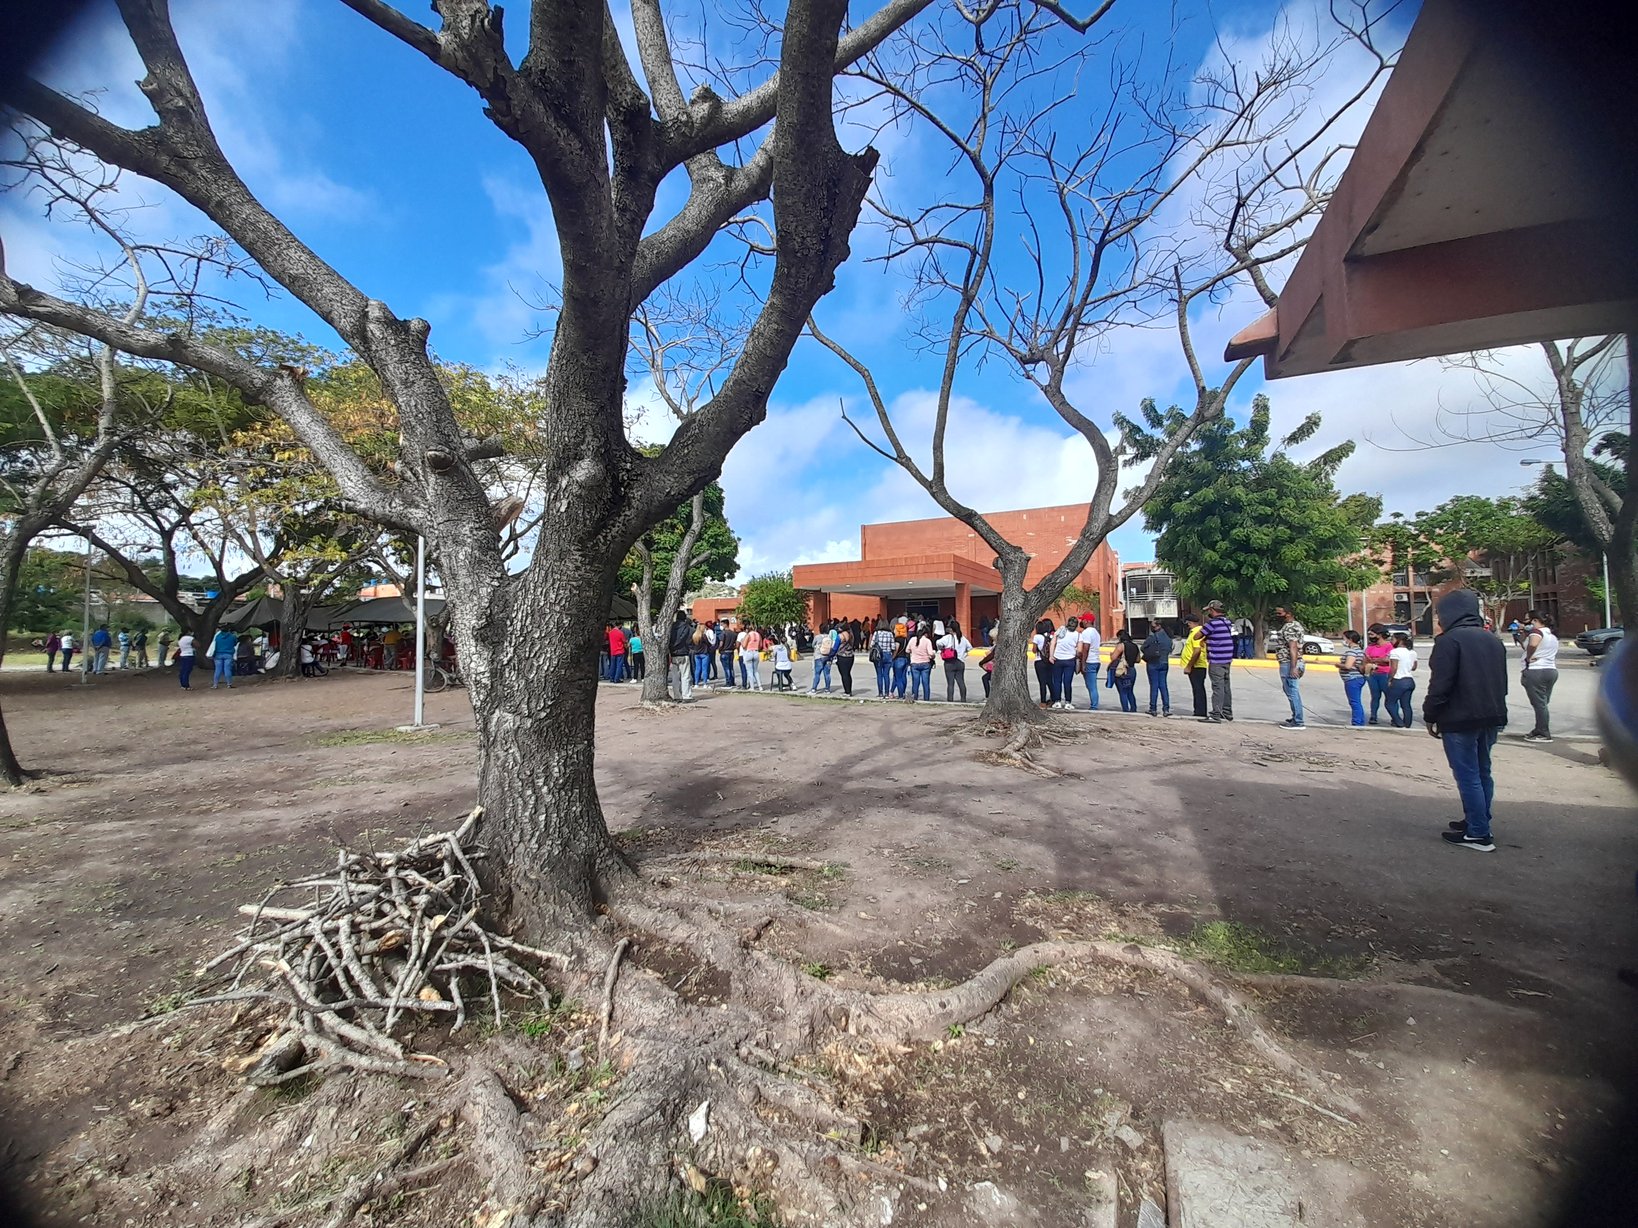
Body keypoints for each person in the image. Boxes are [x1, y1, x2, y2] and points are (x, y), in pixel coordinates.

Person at [1423, 589, 1508, 852]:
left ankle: (1479, 833)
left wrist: (1430, 715)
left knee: (1468, 775)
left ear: (1450, 613)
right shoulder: (1492, 640)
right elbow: (1502, 682)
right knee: (1483, 771)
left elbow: (1441, 685)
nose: (1439, 620)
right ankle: (1478, 819)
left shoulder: (1449, 641)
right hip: (1491, 715)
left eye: (1440, 614)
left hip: (1460, 717)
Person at [1520, 611, 1559, 743]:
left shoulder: (1536, 633)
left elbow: (1533, 645)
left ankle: (1543, 732)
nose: (1527, 623)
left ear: (1535, 620)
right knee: (1543, 702)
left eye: (1528, 620)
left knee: (1539, 703)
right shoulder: (1551, 635)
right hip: (1550, 670)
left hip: (1536, 670)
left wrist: (1528, 657)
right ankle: (1539, 728)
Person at [1273, 605, 1307, 730]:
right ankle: (1295, 717)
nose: (1277, 615)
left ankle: (1298, 721)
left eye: (1279, 613)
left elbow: (1293, 647)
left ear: (1288, 613)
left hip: (1289, 662)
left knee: (1292, 691)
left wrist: (1293, 667)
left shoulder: (1289, 627)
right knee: (1290, 690)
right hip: (1292, 662)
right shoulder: (1296, 625)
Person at [1202, 601, 1234, 722]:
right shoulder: (1227, 622)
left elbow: (1197, 636)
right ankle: (1227, 712)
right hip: (1227, 659)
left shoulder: (1212, 624)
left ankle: (1216, 714)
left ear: (1212, 610)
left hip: (1216, 659)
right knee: (1226, 686)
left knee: (1217, 687)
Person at [1385, 631, 1419, 728]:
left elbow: (1394, 668)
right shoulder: (1412, 652)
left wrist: (1390, 679)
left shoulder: (1395, 652)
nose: (1391, 641)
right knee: (1406, 704)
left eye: (1393, 639)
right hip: (1409, 680)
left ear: (1399, 641)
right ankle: (1407, 724)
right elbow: (1414, 667)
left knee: (1390, 703)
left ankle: (1399, 722)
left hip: (1398, 680)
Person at [1179, 615, 1208, 719]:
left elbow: (1197, 650)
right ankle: (1199, 710)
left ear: (1189, 623)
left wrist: (1189, 666)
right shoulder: (1195, 632)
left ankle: (1200, 712)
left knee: (1198, 689)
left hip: (1197, 666)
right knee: (1197, 689)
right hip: (1196, 666)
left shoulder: (1197, 632)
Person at [1337, 629, 1368, 727]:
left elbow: (1348, 666)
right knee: (1356, 701)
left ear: (1350, 639)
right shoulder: (1360, 651)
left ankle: (1357, 722)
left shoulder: (1352, 652)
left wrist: (1338, 665)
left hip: (1352, 678)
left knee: (1354, 702)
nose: (1344, 641)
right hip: (1358, 678)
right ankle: (1360, 721)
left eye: (1344, 638)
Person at [1141, 621, 1173, 717]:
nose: (1152, 627)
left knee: (1154, 686)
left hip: (1153, 663)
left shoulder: (1152, 637)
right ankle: (1166, 709)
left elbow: (1143, 648)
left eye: (1153, 626)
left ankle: (1153, 708)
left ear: (1158, 626)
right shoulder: (1168, 638)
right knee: (1163, 685)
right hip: (1164, 662)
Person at [1364, 624, 1393, 724]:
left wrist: (1374, 660)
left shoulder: (1389, 646)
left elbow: (1388, 660)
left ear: (1379, 634)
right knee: (1375, 696)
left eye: (1372, 634)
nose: (1370, 637)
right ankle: (1373, 716)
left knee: (1390, 697)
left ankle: (1394, 717)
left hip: (1385, 674)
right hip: (1373, 675)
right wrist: (1378, 660)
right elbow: (1366, 659)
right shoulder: (1370, 647)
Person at [1050, 616, 1080, 710]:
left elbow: (1053, 642)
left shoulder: (1061, 631)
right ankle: (1068, 702)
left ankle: (1057, 701)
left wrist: (1051, 655)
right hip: (1070, 660)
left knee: (1057, 681)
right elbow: (1079, 650)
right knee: (1067, 682)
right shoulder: (1078, 635)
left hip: (1058, 659)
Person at [1106, 629, 1139, 712]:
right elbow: (1138, 659)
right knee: (1130, 691)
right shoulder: (1135, 646)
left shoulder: (1121, 646)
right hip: (1132, 669)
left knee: (1122, 692)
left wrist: (1112, 655)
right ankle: (1133, 708)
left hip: (1123, 670)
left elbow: (1113, 657)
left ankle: (1125, 709)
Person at [939, 618, 971, 703]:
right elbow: (970, 648)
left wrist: (942, 648)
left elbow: (938, 643)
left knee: (950, 683)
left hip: (949, 662)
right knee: (961, 681)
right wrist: (964, 655)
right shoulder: (963, 638)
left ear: (951, 629)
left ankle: (950, 700)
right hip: (960, 662)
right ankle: (963, 699)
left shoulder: (948, 637)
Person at [1076, 613, 1101, 711]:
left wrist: (1083, 664)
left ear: (1087, 621)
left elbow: (1086, 648)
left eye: (1082, 620)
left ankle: (1094, 706)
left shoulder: (1086, 632)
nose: (1081, 622)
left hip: (1089, 661)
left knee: (1091, 686)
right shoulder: (1096, 632)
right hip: (1096, 660)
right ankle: (1094, 704)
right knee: (1091, 685)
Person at [667, 609, 694, 700]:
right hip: (683, 652)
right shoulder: (686, 627)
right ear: (685, 618)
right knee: (685, 675)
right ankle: (686, 696)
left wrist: (672, 647)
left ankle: (677, 696)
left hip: (673, 654)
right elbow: (685, 638)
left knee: (675, 676)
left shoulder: (671, 627)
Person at [907, 622, 937, 702]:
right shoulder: (927, 641)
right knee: (925, 683)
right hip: (925, 664)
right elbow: (931, 654)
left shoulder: (913, 639)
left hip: (914, 663)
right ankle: (926, 699)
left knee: (915, 683)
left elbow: (907, 650)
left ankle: (915, 697)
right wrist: (934, 655)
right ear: (926, 634)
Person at [1031, 619, 1054, 708]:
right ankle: (1053, 699)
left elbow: (1034, 650)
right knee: (1050, 681)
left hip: (1039, 661)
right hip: (1049, 661)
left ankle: (1043, 701)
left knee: (1042, 682)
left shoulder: (1037, 637)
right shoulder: (1050, 636)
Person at [870, 620, 896, 697]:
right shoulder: (890, 634)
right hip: (888, 654)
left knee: (879, 674)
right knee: (886, 674)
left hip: (878, 655)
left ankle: (880, 693)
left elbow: (871, 645)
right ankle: (887, 693)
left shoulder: (876, 633)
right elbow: (893, 647)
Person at [809, 620, 836, 693]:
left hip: (819, 657)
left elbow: (812, 645)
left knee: (817, 673)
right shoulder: (829, 637)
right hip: (828, 657)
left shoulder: (817, 637)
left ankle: (814, 689)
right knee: (827, 674)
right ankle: (827, 689)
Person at [739, 624, 764, 691]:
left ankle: (752, 687)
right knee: (755, 671)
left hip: (749, 652)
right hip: (756, 652)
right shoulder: (758, 635)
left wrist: (742, 642)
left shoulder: (748, 635)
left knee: (749, 671)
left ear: (747, 629)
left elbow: (744, 646)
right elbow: (760, 645)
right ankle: (760, 686)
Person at [834, 623, 856, 696]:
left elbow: (835, 647)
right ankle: (849, 690)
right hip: (850, 656)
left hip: (842, 656)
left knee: (844, 674)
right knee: (848, 674)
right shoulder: (851, 635)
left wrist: (831, 655)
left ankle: (847, 691)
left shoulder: (840, 636)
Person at [891, 625, 911, 699]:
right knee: (903, 677)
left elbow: (896, 649)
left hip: (898, 659)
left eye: (895, 629)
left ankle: (900, 695)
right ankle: (903, 692)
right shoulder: (906, 639)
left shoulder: (898, 639)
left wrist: (892, 657)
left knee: (898, 678)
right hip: (905, 659)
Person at [714, 620, 736, 688]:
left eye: (722, 624)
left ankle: (728, 682)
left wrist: (719, 649)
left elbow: (721, 643)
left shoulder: (723, 633)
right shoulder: (733, 633)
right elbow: (735, 644)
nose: (721, 626)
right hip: (731, 652)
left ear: (725, 624)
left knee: (726, 668)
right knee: (731, 667)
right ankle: (732, 682)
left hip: (724, 652)